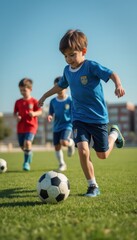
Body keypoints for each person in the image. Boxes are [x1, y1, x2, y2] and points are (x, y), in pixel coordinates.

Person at [38, 29, 125, 197]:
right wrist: (44, 96)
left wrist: (118, 84)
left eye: (72, 54)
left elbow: (111, 73)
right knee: (83, 150)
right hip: (79, 119)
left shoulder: (91, 66)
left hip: (98, 118)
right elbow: (61, 85)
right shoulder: (67, 70)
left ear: (83, 51)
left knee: (102, 155)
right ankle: (92, 186)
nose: (69, 59)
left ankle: (114, 133)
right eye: (65, 56)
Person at [14, 78, 42, 171]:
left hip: (31, 126)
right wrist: (17, 117)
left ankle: (26, 163)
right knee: (23, 147)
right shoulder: (18, 102)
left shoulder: (34, 101)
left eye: (24, 90)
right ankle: (29, 153)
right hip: (21, 127)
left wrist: (34, 113)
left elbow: (40, 111)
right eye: (21, 90)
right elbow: (15, 113)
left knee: (28, 142)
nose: (22, 92)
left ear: (30, 89)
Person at [47, 76, 75, 171]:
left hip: (67, 125)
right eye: (56, 87)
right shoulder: (53, 101)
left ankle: (71, 144)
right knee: (57, 146)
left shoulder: (70, 100)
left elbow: (74, 111)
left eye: (61, 87)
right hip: (56, 126)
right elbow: (51, 112)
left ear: (66, 87)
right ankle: (62, 164)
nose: (59, 89)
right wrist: (50, 116)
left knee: (64, 142)